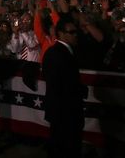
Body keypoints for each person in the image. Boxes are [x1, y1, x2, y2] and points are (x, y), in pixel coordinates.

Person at [42, 16, 87, 158]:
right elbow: (63, 84)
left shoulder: (56, 52)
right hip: (66, 112)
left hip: (60, 111)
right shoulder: (60, 53)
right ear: (60, 33)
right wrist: (80, 90)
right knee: (66, 148)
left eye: (76, 32)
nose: (75, 35)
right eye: (71, 32)